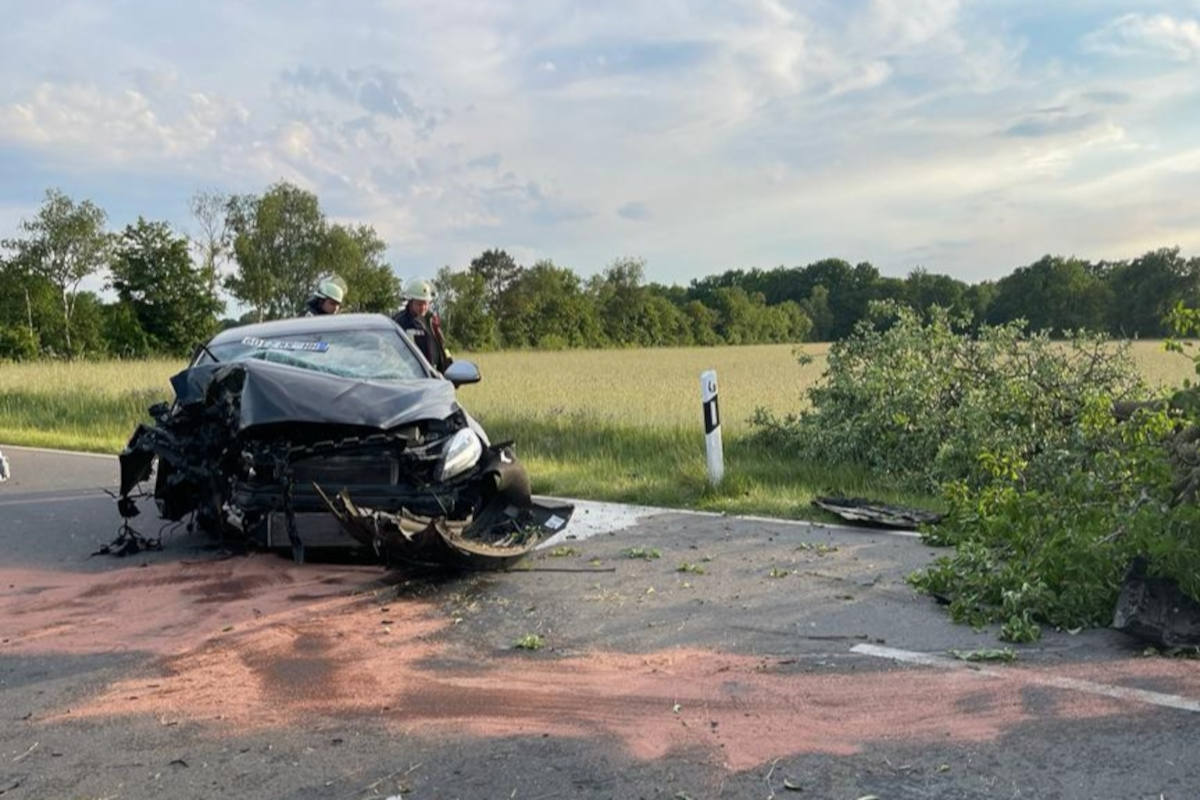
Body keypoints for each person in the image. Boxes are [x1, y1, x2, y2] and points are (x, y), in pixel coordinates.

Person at [393, 277, 452, 372]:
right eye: (419, 304)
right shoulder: (399, 322)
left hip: (434, 376)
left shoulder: (432, 321)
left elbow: (442, 346)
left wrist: (449, 365)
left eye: (426, 303)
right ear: (411, 302)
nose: (423, 307)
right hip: (410, 377)